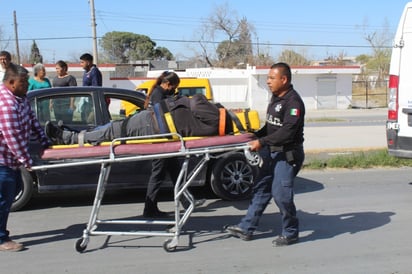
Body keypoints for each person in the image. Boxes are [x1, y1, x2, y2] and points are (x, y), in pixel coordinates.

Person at [226, 62, 305, 246]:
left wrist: (260, 142)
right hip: (272, 152)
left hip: (287, 155)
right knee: (261, 189)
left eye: (271, 78)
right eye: (268, 78)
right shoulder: (276, 97)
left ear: (283, 79)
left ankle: (291, 232)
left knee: (281, 195)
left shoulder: (293, 102)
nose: (268, 81)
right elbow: (271, 126)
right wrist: (255, 134)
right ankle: (246, 228)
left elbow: (287, 132)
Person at [0, 63, 50, 252]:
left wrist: (44, 140)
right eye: (23, 83)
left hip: (9, 161)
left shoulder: (20, 99)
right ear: (11, 82)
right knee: (3, 200)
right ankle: (1, 239)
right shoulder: (6, 104)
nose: (27, 86)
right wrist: (27, 162)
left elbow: (32, 120)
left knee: (9, 195)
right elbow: (12, 137)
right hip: (2, 160)